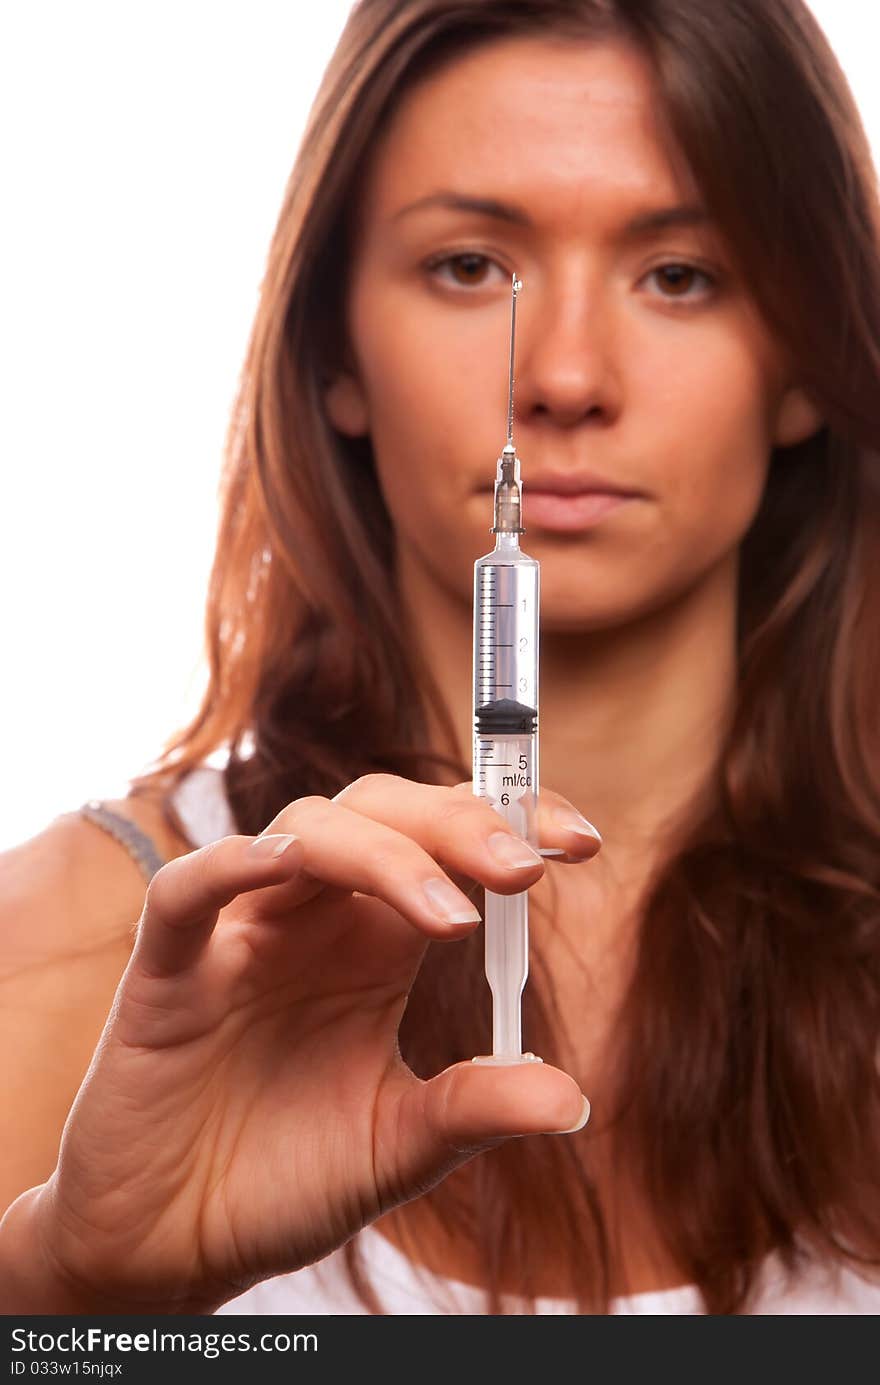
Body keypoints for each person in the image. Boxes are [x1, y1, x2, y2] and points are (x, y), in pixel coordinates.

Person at [2, 0, 880, 1316]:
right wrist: (64, 1296)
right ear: (333, 350)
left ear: (808, 354)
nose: (570, 376)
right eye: (471, 265)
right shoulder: (87, 956)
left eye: (680, 273)